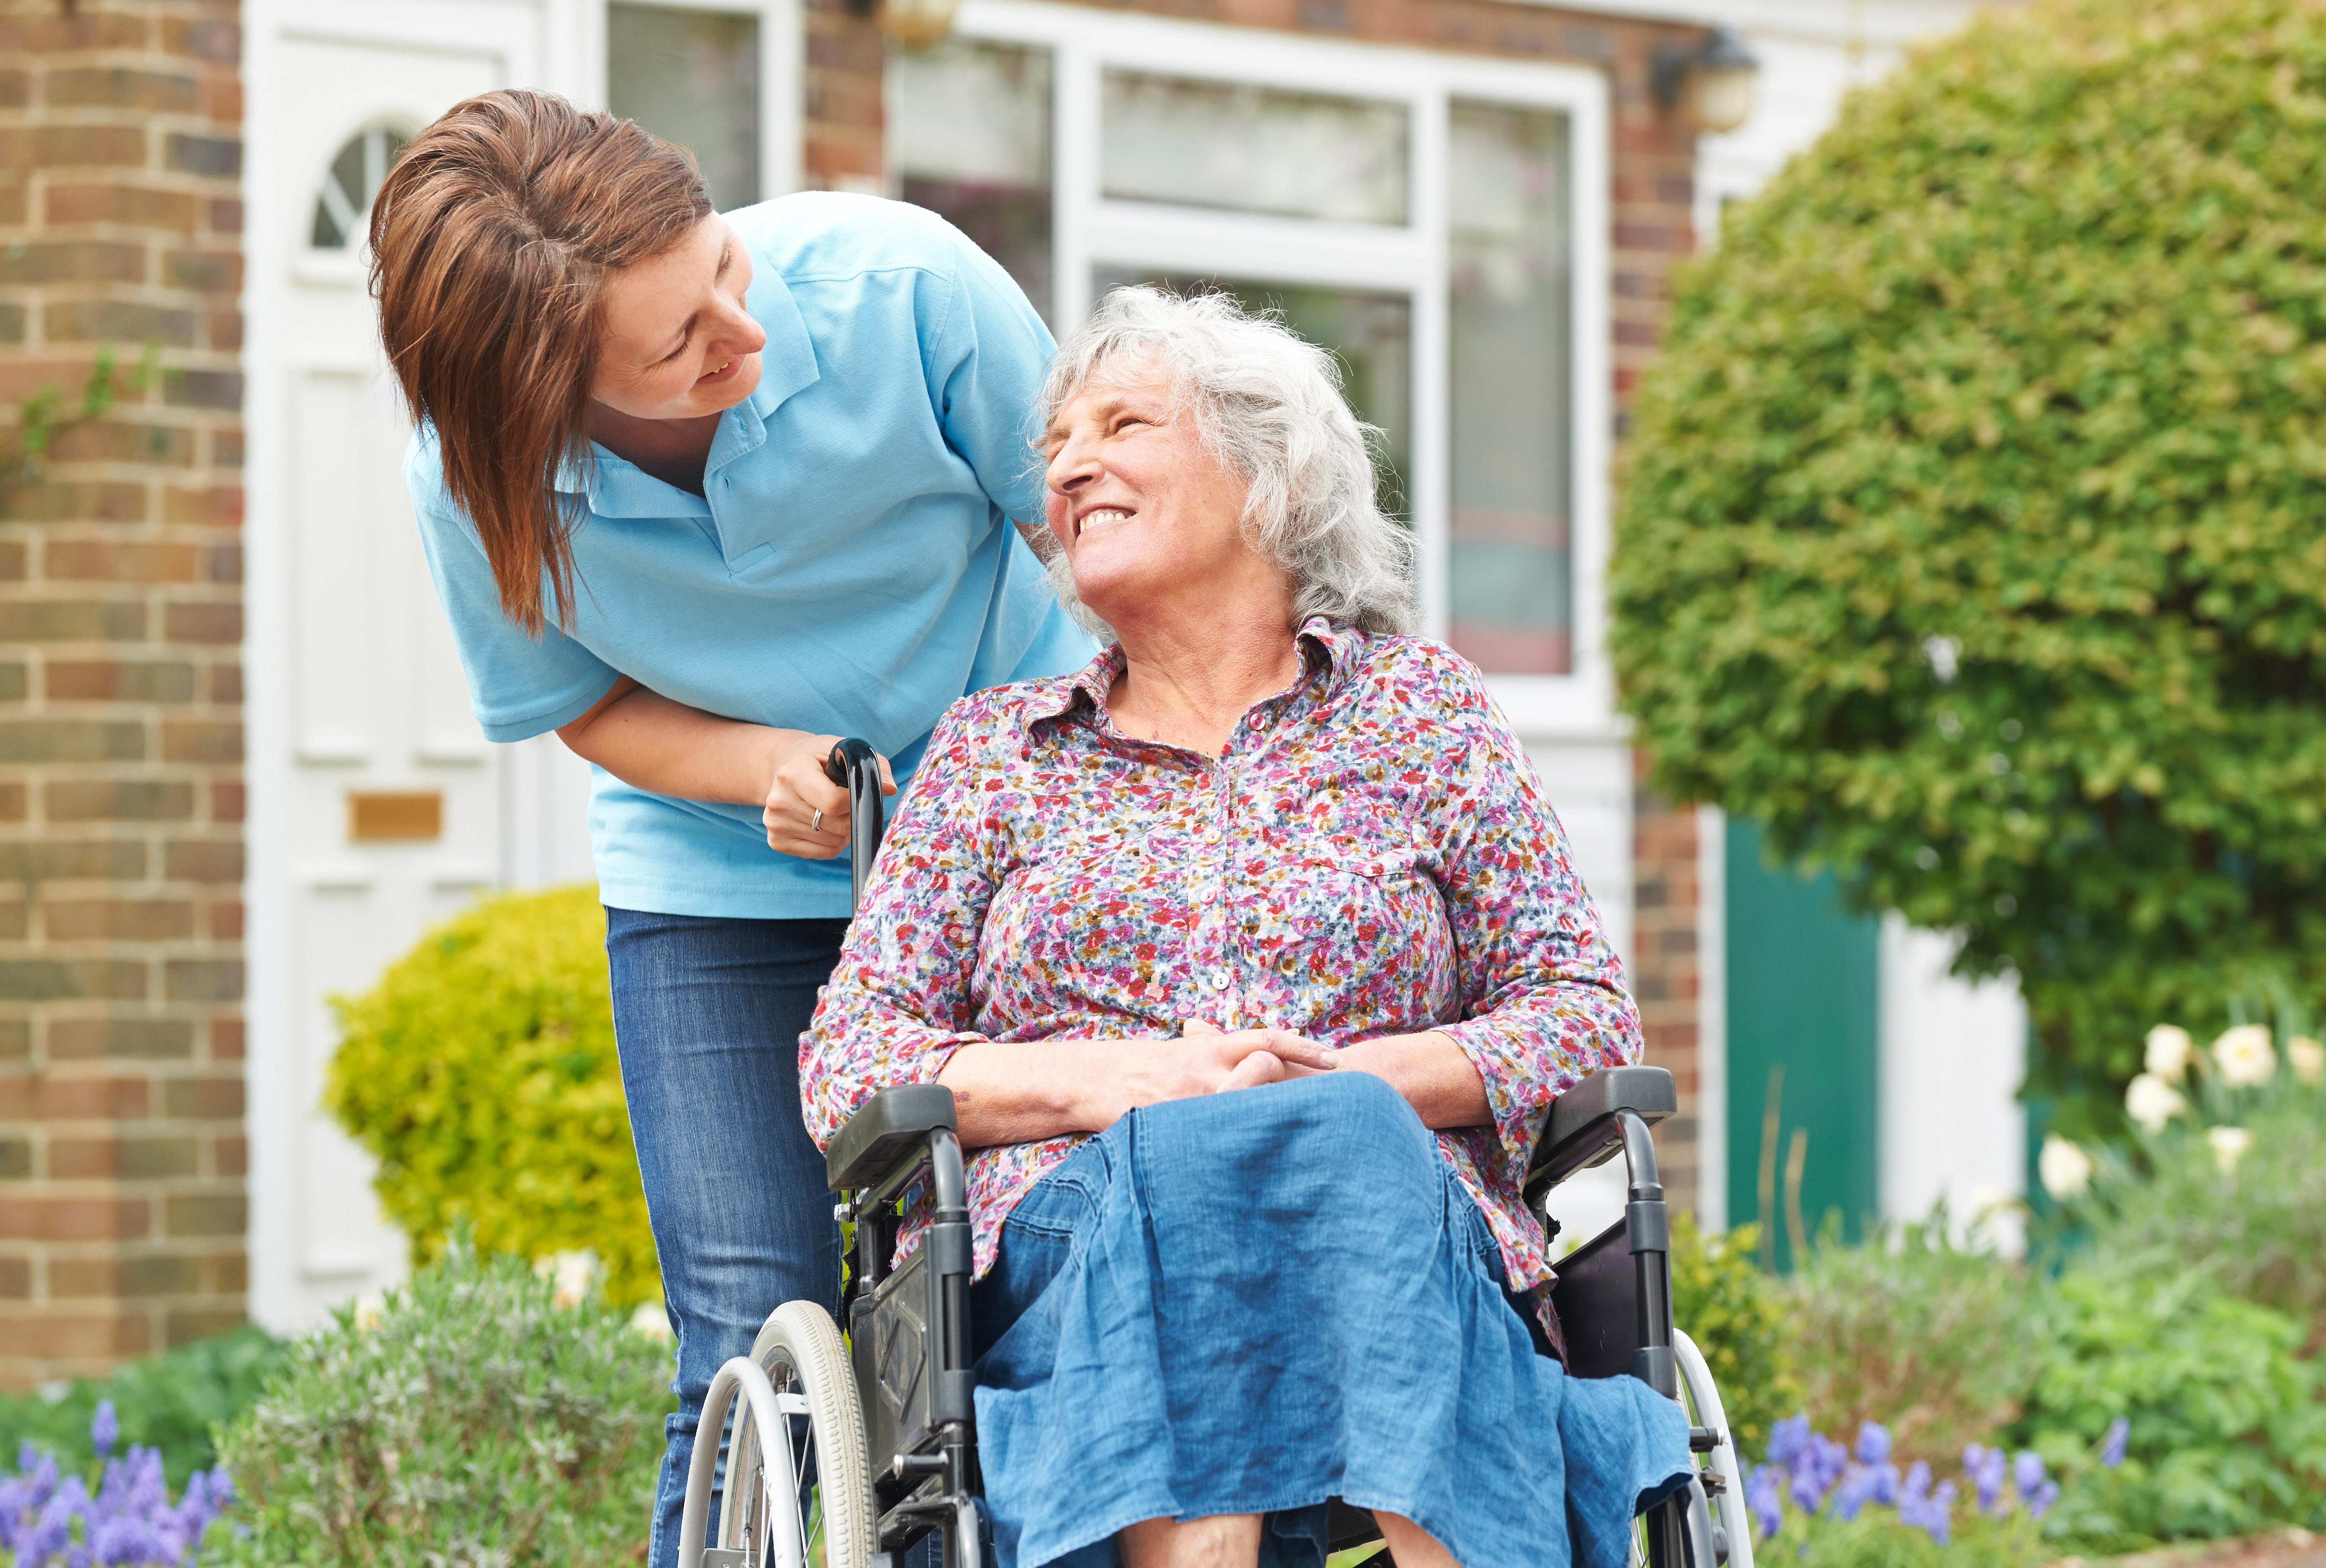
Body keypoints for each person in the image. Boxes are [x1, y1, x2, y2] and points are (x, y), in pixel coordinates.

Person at [802, 288, 1693, 1568]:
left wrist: (1360, 1085)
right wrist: (1141, 1086)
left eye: (1120, 424)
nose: (1067, 464)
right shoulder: (995, 754)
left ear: (1265, 474)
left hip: (1391, 1237)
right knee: (1200, 1154)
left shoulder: (1422, 717)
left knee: (1313, 1136)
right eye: (1057, 443)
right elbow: (847, 1060)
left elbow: (1578, 1012)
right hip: (1076, 1243)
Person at [371, 89, 1099, 1567]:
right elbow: (580, 704)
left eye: (720, 269)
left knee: (1029, 1292)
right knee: (749, 1341)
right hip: (719, 893)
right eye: (679, 347)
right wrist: (762, 762)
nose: (741, 338)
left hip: (1015, 864)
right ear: (544, 405)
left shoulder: (902, 287)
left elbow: (1100, 544)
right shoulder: (478, 484)